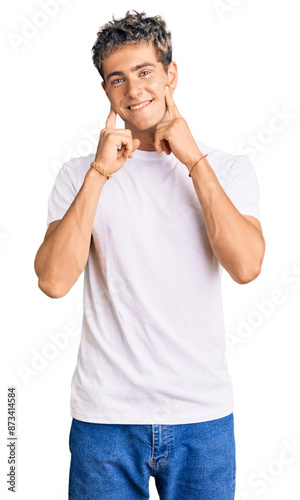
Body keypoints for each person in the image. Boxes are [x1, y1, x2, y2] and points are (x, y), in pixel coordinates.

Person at [34, 10, 265, 500]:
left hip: (201, 416)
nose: (133, 89)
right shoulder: (80, 175)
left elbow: (246, 266)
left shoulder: (228, 168)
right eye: (117, 79)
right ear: (106, 92)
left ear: (170, 74)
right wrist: (99, 172)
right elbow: (53, 281)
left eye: (144, 72)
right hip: (105, 419)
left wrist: (193, 160)